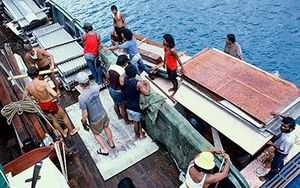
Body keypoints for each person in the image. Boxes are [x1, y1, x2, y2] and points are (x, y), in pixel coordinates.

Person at [24, 67, 79, 138]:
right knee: (64, 116)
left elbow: (25, 98)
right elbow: (55, 94)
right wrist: (57, 99)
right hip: (50, 103)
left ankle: (63, 134)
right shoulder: (43, 83)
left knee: (53, 119)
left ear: (29, 76)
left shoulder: (27, 87)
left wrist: (35, 97)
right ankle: (72, 131)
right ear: (38, 74)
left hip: (42, 105)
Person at [77, 72, 114, 156]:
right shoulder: (96, 88)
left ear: (80, 84)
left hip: (94, 119)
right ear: (88, 81)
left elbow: (85, 113)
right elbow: (101, 86)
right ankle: (111, 143)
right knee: (106, 127)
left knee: (96, 134)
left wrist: (83, 122)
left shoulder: (81, 98)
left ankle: (104, 149)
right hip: (103, 113)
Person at [259, 115, 296, 182]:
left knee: (274, 166)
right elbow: (286, 119)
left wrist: (271, 144)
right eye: (282, 125)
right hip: (283, 150)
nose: (282, 127)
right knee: (280, 161)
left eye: (285, 127)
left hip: (281, 153)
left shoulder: (288, 140)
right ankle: (280, 167)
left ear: (291, 128)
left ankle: (267, 177)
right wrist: (278, 114)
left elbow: (281, 150)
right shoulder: (290, 129)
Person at [121, 64, 150, 139]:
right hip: (135, 107)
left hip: (128, 104)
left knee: (138, 121)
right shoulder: (138, 83)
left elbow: (122, 76)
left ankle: (140, 132)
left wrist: (126, 71)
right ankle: (137, 135)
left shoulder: (125, 80)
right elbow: (147, 93)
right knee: (136, 122)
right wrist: (148, 84)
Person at [107, 55, 129, 123]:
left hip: (111, 88)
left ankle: (119, 116)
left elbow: (107, 76)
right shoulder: (122, 71)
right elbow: (122, 83)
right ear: (124, 63)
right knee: (123, 108)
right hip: (118, 91)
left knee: (115, 103)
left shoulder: (111, 66)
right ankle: (127, 121)